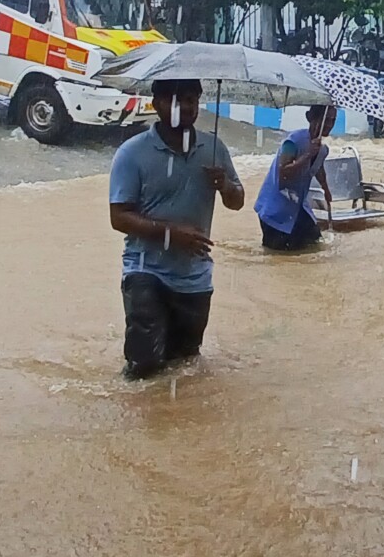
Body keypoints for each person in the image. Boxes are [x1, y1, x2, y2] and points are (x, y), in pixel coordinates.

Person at [108, 79, 245, 380]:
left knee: (185, 367)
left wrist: (224, 185)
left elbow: (237, 202)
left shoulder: (214, 148)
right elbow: (118, 217)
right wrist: (171, 234)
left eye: (191, 100)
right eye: (175, 100)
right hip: (145, 272)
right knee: (144, 368)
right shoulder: (132, 153)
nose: (184, 108)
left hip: (194, 278)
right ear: (156, 104)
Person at [254, 105, 337, 251]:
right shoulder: (292, 142)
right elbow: (283, 172)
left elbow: (318, 168)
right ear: (310, 118)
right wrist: (307, 155)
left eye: (333, 121)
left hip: (298, 206)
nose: (329, 125)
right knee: (278, 254)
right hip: (276, 209)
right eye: (325, 120)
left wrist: (326, 189)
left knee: (314, 244)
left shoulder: (322, 150)